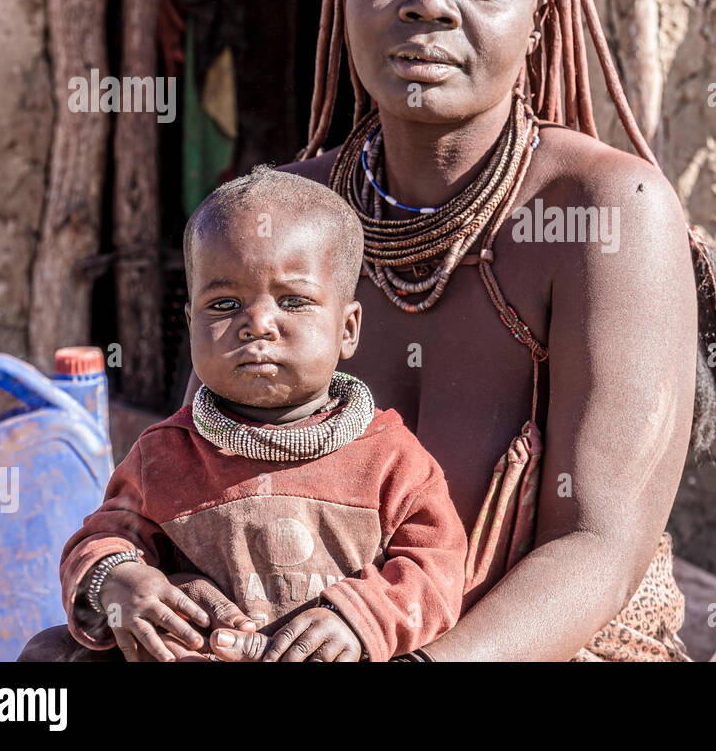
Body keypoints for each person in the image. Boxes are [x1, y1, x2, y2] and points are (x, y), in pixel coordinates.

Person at [21, 0, 716, 662]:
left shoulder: (607, 211)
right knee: (49, 664)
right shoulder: (285, 215)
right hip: (301, 639)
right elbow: (201, 465)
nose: (429, 4)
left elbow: (599, 547)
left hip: (532, 648)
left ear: (538, 22)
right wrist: (153, 585)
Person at [43, 166, 467, 662]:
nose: (258, 325)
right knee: (47, 653)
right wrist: (120, 580)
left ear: (347, 329)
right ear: (191, 322)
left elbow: (435, 569)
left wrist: (360, 618)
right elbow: (102, 539)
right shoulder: (163, 454)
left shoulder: (390, 457)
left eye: (293, 301)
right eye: (224, 304)